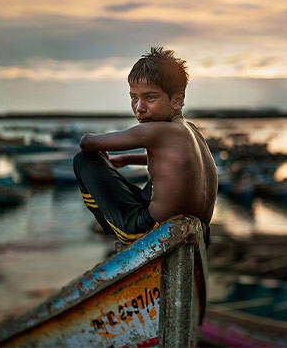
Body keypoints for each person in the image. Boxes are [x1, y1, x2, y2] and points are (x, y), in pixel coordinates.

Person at [73, 47, 218, 248]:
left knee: (84, 159)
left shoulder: (155, 131)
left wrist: (97, 151)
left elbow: (87, 142)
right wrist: (129, 159)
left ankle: (112, 226)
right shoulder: (191, 131)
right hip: (202, 231)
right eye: (134, 98)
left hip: (148, 229)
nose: (140, 107)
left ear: (177, 100)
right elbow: (176, 163)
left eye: (150, 98)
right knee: (155, 181)